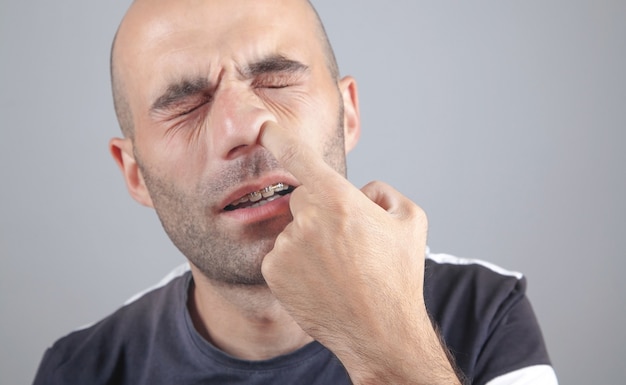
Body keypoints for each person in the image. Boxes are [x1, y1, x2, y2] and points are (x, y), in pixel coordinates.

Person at [33, 0, 558, 384]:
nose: (243, 128)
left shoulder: (485, 312)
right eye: (186, 104)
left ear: (347, 113)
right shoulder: (79, 369)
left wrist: (390, 352)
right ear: (134, 173)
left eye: (276, 79)